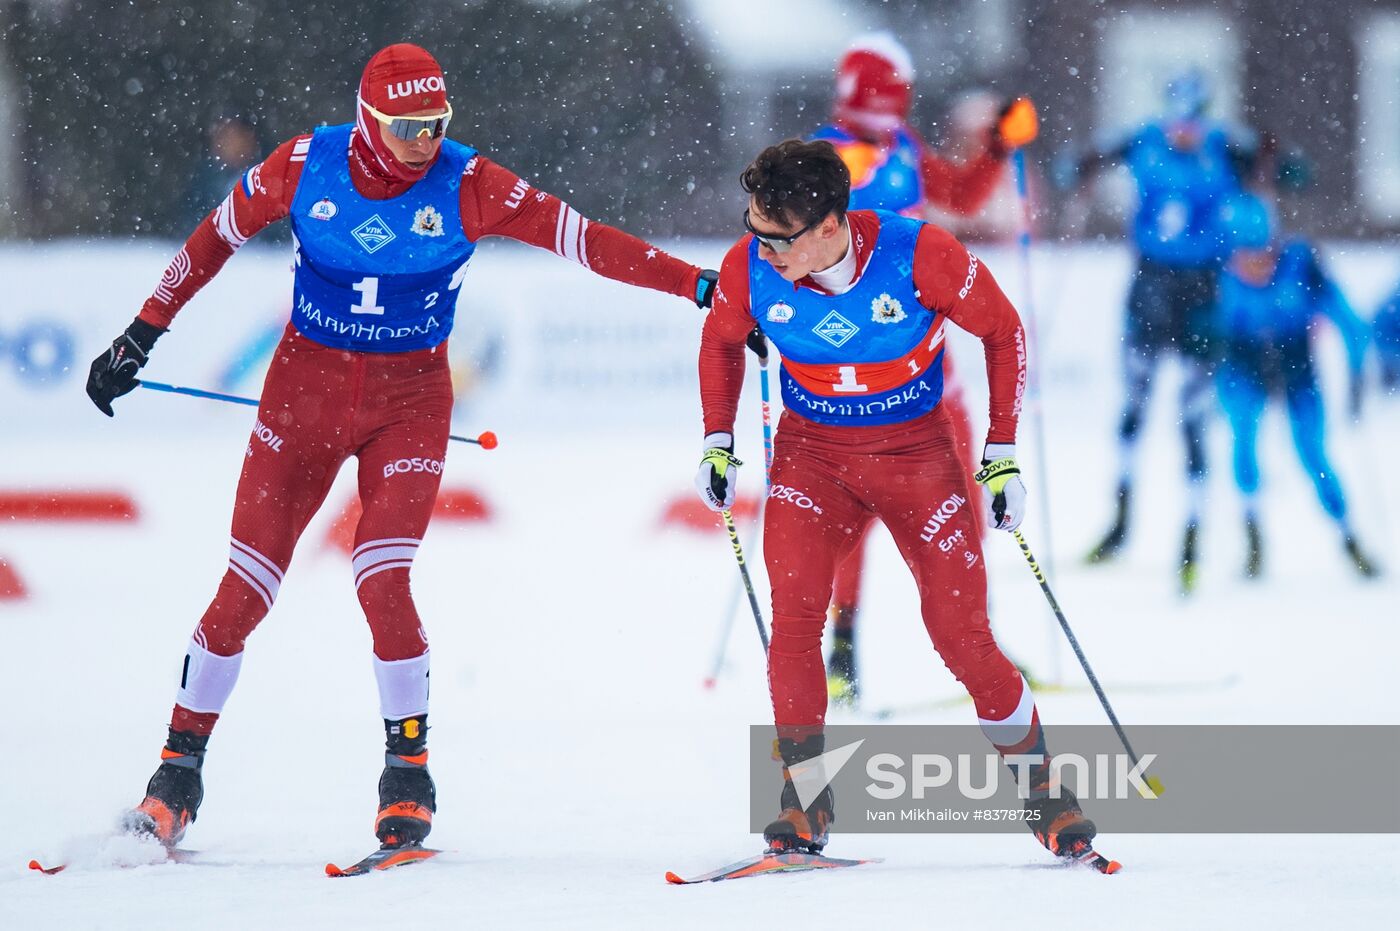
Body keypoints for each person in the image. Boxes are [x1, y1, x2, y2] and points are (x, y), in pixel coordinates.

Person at [84, 43, 718, 853]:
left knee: (380, 576)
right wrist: (141, 334)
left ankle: (407, 775)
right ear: (368, 119)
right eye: (407, 126)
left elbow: (587, 241)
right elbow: (213, 239)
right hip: (300, 401)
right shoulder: (304, 164)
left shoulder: (471, 182)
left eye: (437, 124)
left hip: (410, 406)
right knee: (242, 592)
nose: (425, 140)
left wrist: (697, 284)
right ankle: (177, 774)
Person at [693, 139, 1097, 862]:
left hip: (916, 457)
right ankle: (805, 800)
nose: (760, 250)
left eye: (776, 237)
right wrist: (717, 441)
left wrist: (1001, 451)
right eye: (752, 228)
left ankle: (1045, 792)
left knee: (961, 636)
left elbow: (1003, 330)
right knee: (793, 623)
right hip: (812, 458)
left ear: (827, 226)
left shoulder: (920, 254)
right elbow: (721, 340)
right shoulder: (749, 266)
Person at [808, 33, 1037, 704]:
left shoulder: (904, 146)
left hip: (930, 357)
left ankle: (977, 641)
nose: (891, 112)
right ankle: (842, 648)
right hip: (858, 366)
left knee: (965, 498)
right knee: (855, 510)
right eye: (883, 100)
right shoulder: (825, 155)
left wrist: (997, 144)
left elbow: (961, 198)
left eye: (898, 100)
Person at [1069, 69, 1254, 593]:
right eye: (1176, 121)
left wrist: (1279, 167)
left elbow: (1284, 171)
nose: (1183, 132)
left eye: (1192, 122)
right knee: (1134, 408)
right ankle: (1120, 525)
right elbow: (1083, 161)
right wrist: (1075, 170)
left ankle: (1191, 540)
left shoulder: (1225, 146)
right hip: (1149, 285)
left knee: (1193, 419)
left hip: (1202, 291)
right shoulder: (1141, 138)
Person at [1214, 192, 1376, 577]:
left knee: (1312, 454)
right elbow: (1211, 337)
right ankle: (1252, 534)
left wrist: (1355, 378)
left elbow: (1353, 327)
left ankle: (1348, 536)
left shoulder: (1304, 269)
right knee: (1243, 438)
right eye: (1243, 259)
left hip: (1295, 367)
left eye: (1261, 256)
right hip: (1245, 364)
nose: (1253, 268)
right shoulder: (1222, 277)